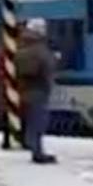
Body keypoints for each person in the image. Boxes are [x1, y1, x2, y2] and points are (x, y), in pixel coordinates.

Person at [15, 18, 57, 164]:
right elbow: (44, 68)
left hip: (27, 89)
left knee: (34, 120)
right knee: (38, 122)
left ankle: (33, 147)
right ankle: (37, 152)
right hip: (37, 90)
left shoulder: (23, 47)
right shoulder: (38, 49)